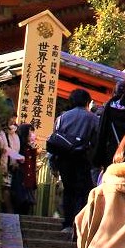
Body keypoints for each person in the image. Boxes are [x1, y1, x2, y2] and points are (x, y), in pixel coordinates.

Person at [52, 88, 99, 235]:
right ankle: (79, 224)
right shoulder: (92, 118)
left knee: (68, 190)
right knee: (83, 191)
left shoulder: (62, 118)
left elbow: (55, 139)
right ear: (87, 101)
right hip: (83, 158)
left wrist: (53, 162)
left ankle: (67, 223)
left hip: (64, 159)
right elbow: (96, 141)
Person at [0, 112, 22, 213]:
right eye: (11, 118)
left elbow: (12, 150)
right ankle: (8, 211)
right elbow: (3, 148)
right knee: (4, 189)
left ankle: (7, 211)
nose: (13, 121)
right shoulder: (0, 132)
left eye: (14, 118)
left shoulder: (15, 134)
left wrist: (16, 159)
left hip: (10, 165)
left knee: (6, 189)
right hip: (0, 164)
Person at [11, 123, 38, 215]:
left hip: (29, 179)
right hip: (21, 177)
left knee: (27, 202)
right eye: (30, 134)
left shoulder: (31, 147)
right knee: (21, 200)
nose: (32, 136)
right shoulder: (20, 146)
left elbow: (33, 164)